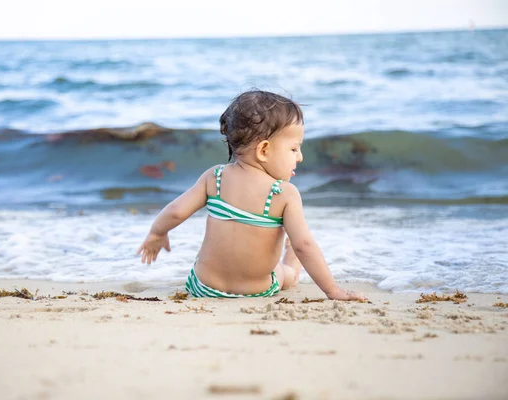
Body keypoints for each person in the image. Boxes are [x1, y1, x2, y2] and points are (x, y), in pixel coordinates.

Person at [137, 90, 365, 300]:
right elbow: (304, 245)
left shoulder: (214, 177)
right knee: (286, 274)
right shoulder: (284, 193)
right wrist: (333, 290)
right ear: (264, 150)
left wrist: (157, 233)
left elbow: (176, 211)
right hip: (258, 290)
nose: (300, 157)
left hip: (202, 287)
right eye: (294, 149)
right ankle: (290, 260)